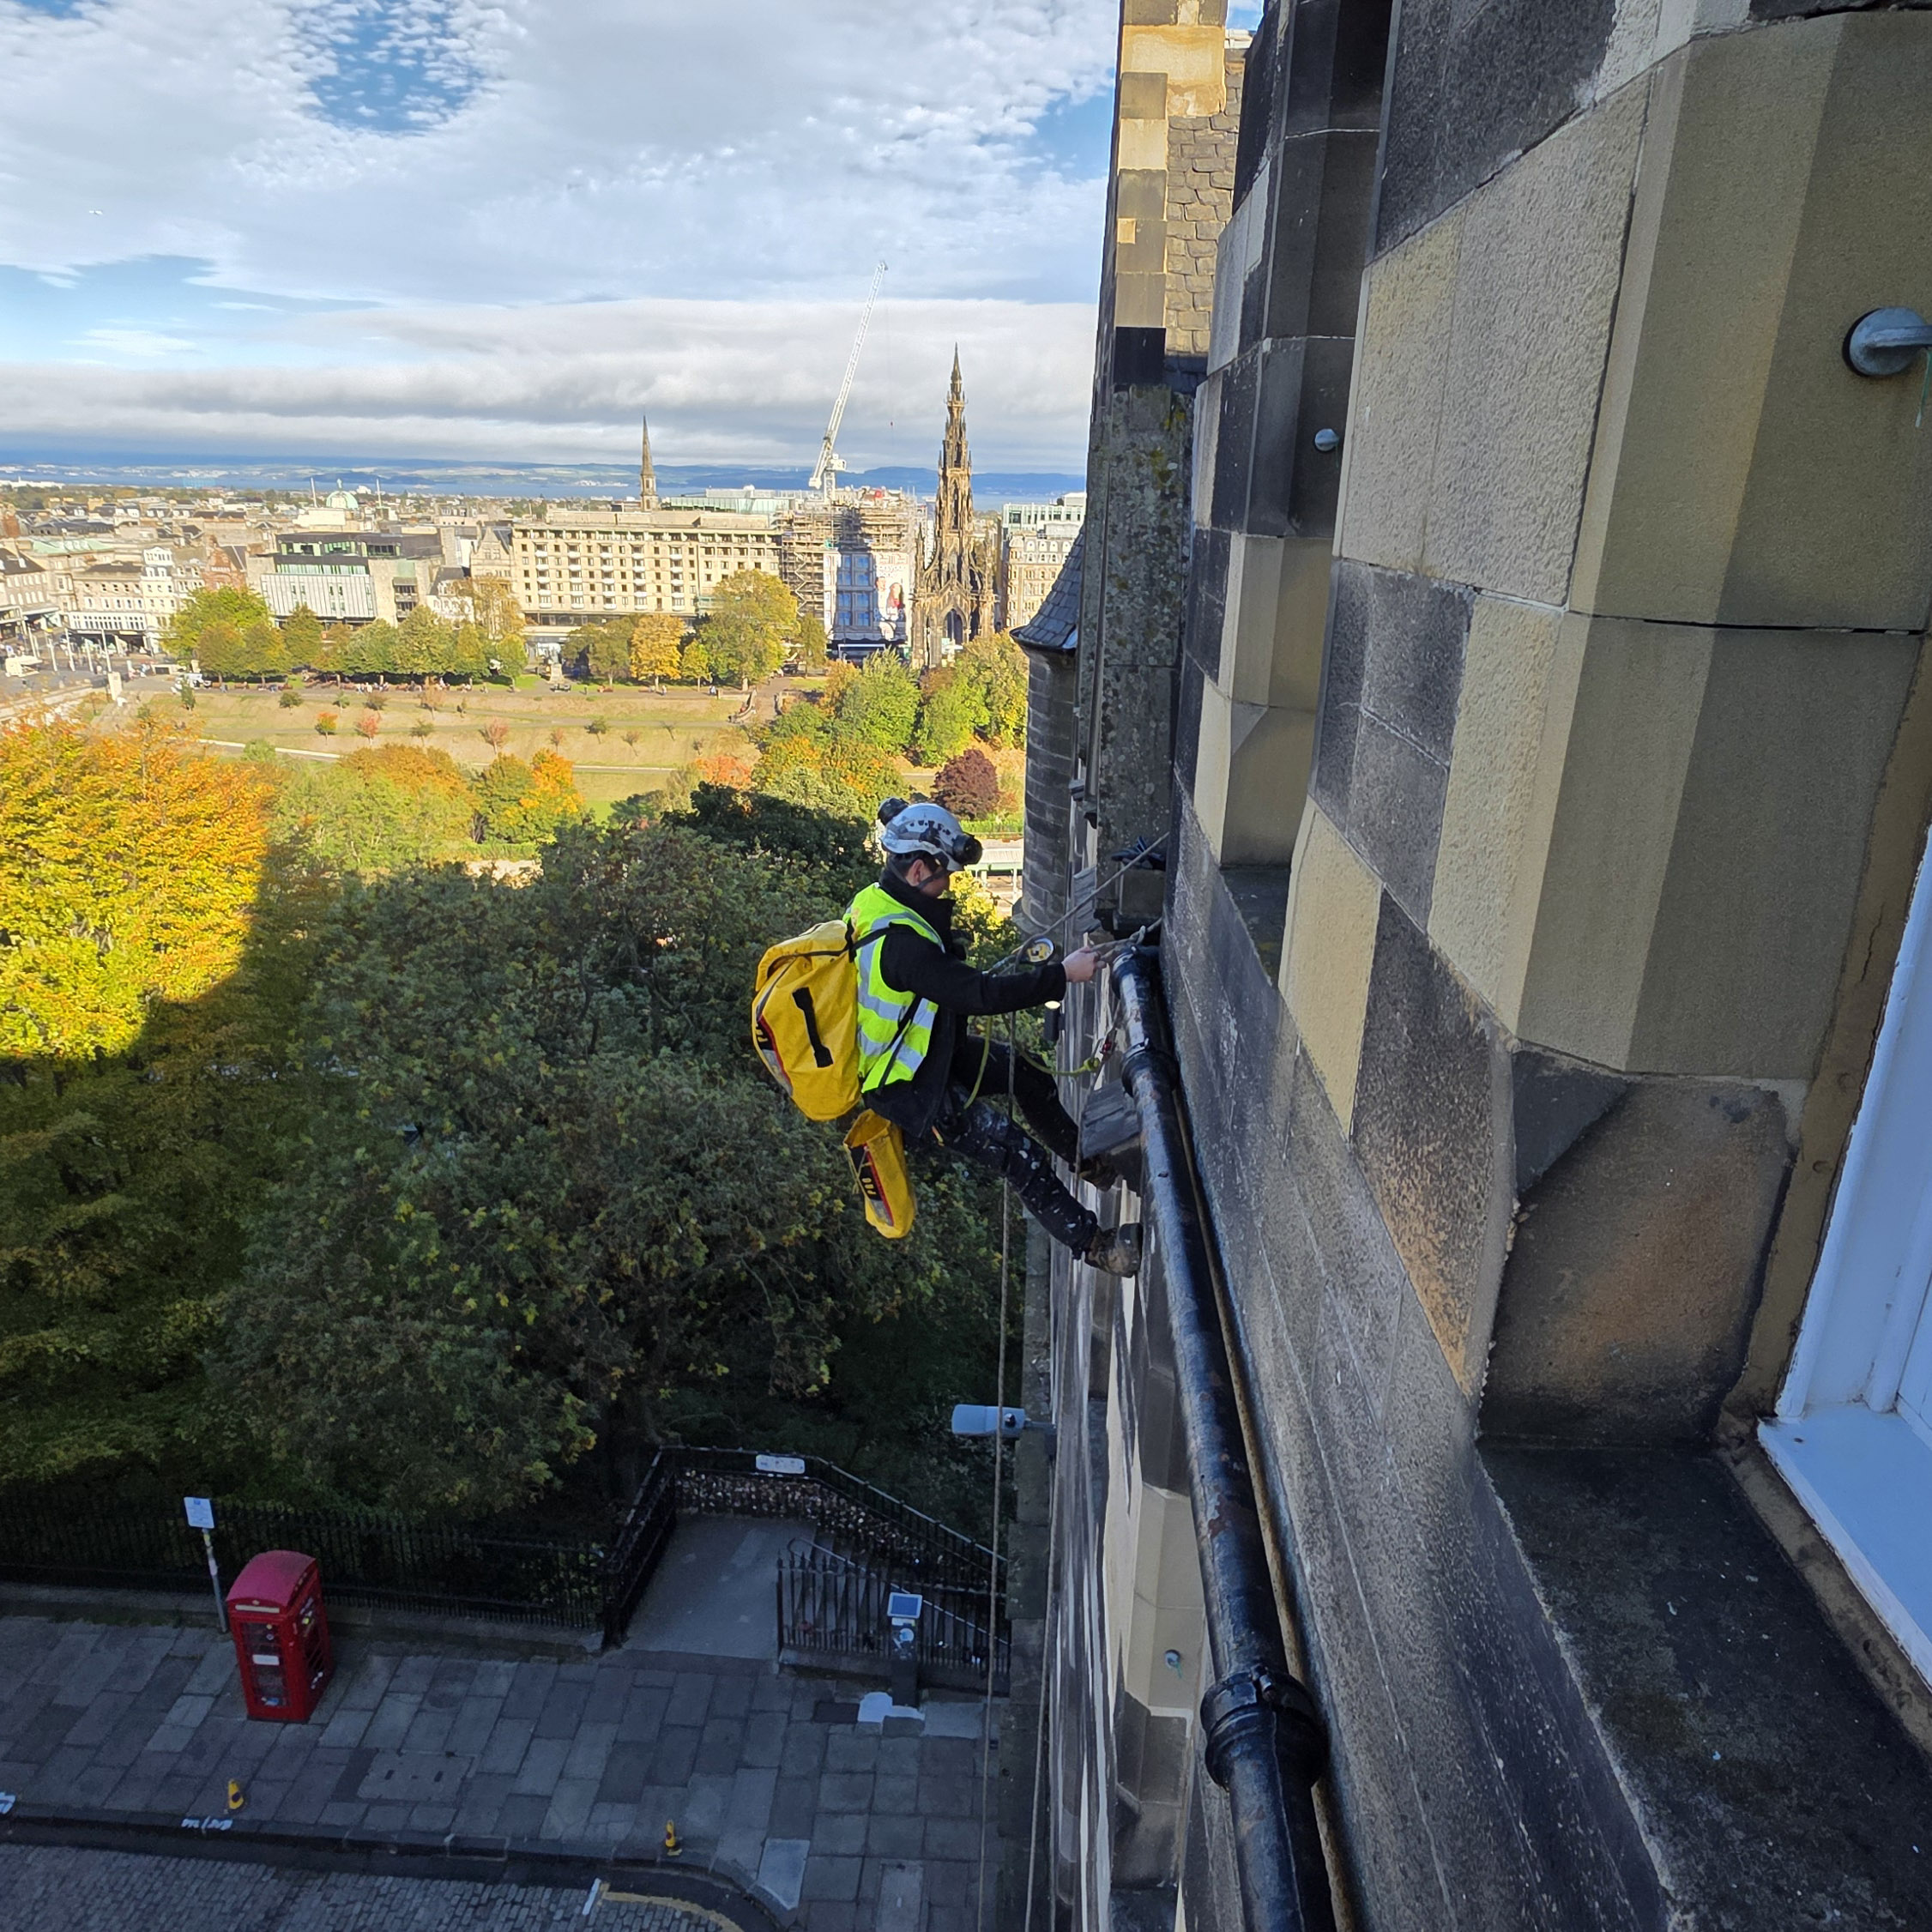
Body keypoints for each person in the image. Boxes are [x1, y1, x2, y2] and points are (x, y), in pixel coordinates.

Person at [846, 799, 1142, 1276]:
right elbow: (979, 994)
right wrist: (1062, 975)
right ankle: (1100, 1247)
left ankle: (1088, 1162)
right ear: (918, 868)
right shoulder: (899, 946)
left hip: (928, 1054)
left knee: (1025, 1075)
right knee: (1013, 1151)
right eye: (945, 876)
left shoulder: (876, 901)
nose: (948, 888)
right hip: (908, 1088)